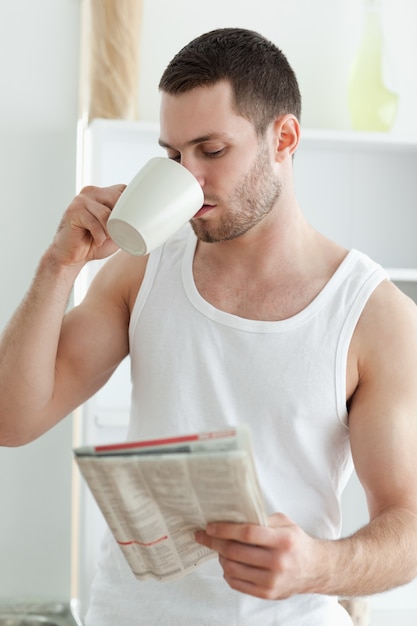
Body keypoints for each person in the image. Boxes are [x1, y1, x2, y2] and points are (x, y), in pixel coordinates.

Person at [1, 27, 417, 626]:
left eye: (211, 150)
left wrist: (316, 567)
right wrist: (57, 265)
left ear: (284, 138)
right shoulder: (139, 270)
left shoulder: (374, 315)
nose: (188, 177)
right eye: (172, 156)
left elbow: (404, 525)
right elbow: (11, 420)